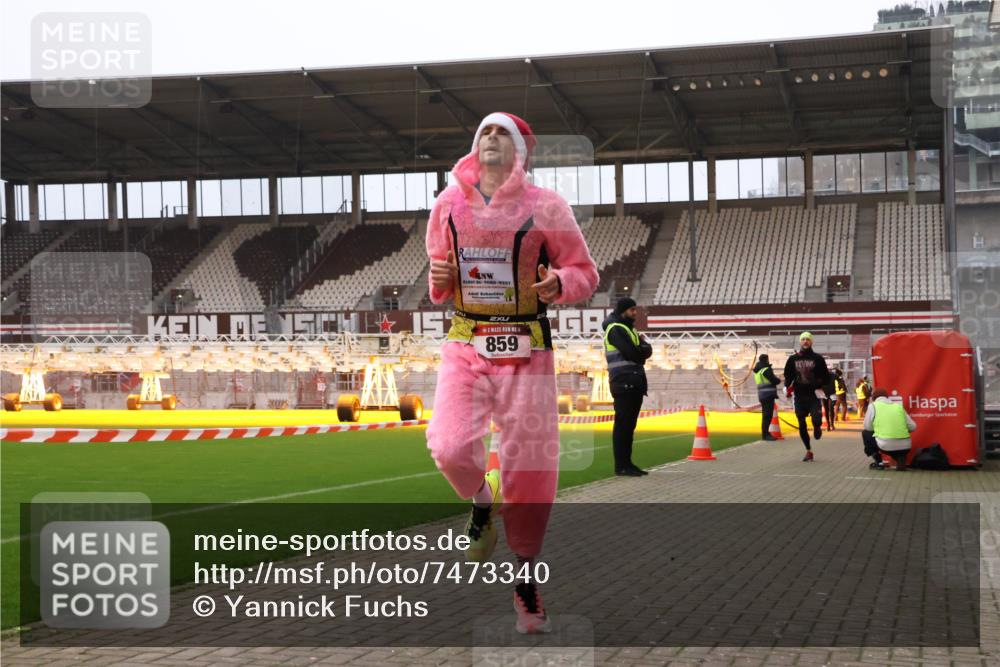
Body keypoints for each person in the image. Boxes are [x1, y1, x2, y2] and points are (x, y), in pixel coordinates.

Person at [424, 111, 599, 634]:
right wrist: (441, 277)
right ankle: (482, 498)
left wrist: (558, 285)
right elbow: (439, 275)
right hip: (466, 341)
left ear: (522, 150)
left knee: (531, 471)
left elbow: (585, 273)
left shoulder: (547, 206)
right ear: (474, 146)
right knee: (449, 446)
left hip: (527, 348)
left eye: (502, 132)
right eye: (484, 132)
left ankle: (525, 579)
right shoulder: (447, 204)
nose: (492, 138)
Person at [602, 297, 653, 476]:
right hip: (624, 381)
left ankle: (627, 463)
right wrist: (642, 352)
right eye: (631, 310)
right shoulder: (615, 329)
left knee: (628, 426)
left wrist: (642, 351)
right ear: (623, 310)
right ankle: (621, 466)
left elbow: (647, 349)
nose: (634, 313)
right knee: (623, 426)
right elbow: (634, 353)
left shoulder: (629, 329)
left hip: (633, 381)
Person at [783, 331, 831, 462]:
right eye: (803, 339)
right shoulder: (793, 359)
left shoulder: (818, 359)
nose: (805, 341)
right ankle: (808, 450)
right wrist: (786, 386)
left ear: (811, 342)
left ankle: (817, 426)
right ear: (800, 341)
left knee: (816, 419)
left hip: (813, 395)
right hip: (799, 395)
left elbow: (826, 377)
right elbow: (788, 375)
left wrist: (819, 384)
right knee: (801, 423)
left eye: (808, 339)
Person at [862, 388, 917, 470]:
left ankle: (879, 462)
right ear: (887, 397)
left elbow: (868, 427)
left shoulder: (873, 406)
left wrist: (878, 428)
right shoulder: (898, 406)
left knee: (865, 433)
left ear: (873, 398)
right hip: (905, 446)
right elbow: (913, 426)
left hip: (885, 445)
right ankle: (900, 459)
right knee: (896, 447)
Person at [752, 354, 781, 440]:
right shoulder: (766, 370)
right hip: (768, 395)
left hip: (762, 395)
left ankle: (765, 434)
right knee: (768, 415)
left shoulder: (757, 371)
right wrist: (779, 379)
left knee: (765, 415)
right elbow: (774, 381)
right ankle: (766, 435)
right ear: (767, 360)